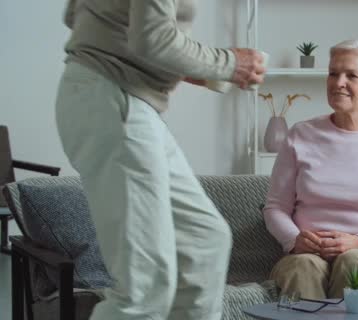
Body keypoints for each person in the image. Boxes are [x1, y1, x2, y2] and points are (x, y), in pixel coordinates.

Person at [55, 1, 266, 319]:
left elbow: (81, 16)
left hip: (121, 100)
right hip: (116, 99)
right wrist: (229, 63)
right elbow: (152, 39)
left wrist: (179, 63)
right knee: (144, 287)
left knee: (203, 240)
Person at [263, 39, 358, 300]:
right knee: (303, 267)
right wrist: (294, 239)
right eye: (333, 73)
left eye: (351, 75)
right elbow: (275, 208)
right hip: (308, 256)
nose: (338, 83)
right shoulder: (300, 135)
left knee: (353, 262)